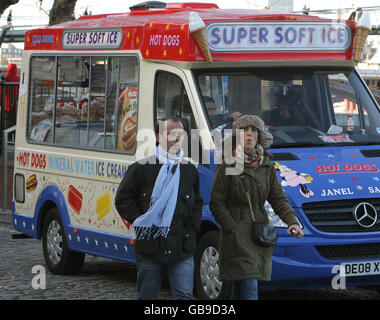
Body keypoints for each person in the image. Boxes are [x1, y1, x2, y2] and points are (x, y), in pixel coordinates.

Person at [209, 114, 303, 300]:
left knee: (240, 286)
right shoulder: (228, 164)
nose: (249, 134)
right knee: (249, 286)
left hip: (258, 233)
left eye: (254, 130)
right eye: (245, 130)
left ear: (260, 135)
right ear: (237, 135)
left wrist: (292, 222)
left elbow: (278, 199)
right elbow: (216, 202)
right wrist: (232, 227)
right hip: (236, 235)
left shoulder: (266, 166)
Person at [115, 116, 203, 300]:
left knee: (185, 295)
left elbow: (197, 203)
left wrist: (191, 228)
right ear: (158, 136)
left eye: (181, 134)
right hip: (150, 248)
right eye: (171, 133)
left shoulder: (189, 171)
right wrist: (143, 222)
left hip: (182, 247)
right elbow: (123, 199)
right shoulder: (141, 168)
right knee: (148, 296)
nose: (177, 138)